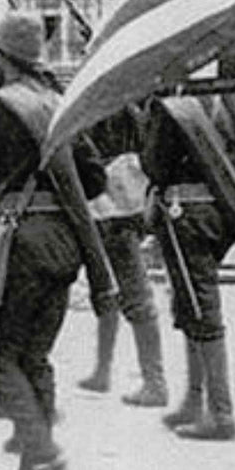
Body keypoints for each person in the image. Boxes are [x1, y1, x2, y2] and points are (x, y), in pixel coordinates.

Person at [0, 13, 117, 470]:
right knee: (34, 355)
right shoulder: (61, 106)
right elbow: (95, 179)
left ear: (2, 60)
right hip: (63, 243)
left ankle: (40, 455)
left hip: (16, 246)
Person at [143, 91, 235, 440]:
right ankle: (193, 400)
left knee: (199, 304)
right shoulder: (234, 103)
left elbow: (154, 166)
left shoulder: (171, 107)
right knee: (192, 299)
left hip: (184, 215)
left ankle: (220, 413)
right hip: (223, 217)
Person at [77, 104, 168, 408]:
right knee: (108, 293)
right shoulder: (125, 107)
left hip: (113, 213)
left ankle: (155, 383)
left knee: (134, 296)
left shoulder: (111, 108)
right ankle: (103, 371)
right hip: (115, 212)